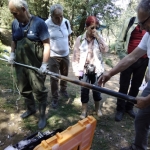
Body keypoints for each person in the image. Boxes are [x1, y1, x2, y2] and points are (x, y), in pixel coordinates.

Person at [98, 0, 150, 149]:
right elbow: (132, 57)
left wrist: (148, 99)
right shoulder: (148, 36)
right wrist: (110, 72)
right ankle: (138, 147)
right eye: (138, 23)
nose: (140, 27)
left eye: (143, 22)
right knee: (142, 118)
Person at [8, 0, 50, 130]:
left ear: (24, 9)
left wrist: (44, 64)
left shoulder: (39, 23)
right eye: (12, 13)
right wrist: (12, 54)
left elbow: (47, 45)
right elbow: (14, 40)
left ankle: (42, 116)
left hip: (35, 65)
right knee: (23, 88)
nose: (14, 16)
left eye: (15, 13)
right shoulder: (15, 24)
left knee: (39, 90)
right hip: (20, 64)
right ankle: (31, 109)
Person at [72, 16, 109, 119]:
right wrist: (76, 70)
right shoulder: (80, 39)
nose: (94, 30)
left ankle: (98, 109)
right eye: (92, 28)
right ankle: (84, 111)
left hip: (97, 69)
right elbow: (75, 56)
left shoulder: (98, 38)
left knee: (97, 90)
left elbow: (105, 49)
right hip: (83, 70)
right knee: (84, 91)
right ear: (86, 27)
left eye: (96, 28)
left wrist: (98, 37)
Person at [115, 16, 148, 121]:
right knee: (123, 86)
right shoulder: (130, 21)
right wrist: (123, 57)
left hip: (143, 61)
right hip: (128, 59)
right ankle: (120, 109)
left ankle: (129, 108)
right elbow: (120, 40)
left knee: (136, 86)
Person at [45, 4, 72, 109]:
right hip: (53, 56)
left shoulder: (66, 22)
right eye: (57, 17)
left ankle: (63, 90)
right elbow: (44, 40)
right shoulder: (46, 24)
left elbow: (68, 34)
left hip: (65, 54)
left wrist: (67, 45)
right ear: (51, 16)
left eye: (61, 16)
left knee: (64, 75)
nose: (59, 18)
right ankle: (55, 97)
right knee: (54, 78)